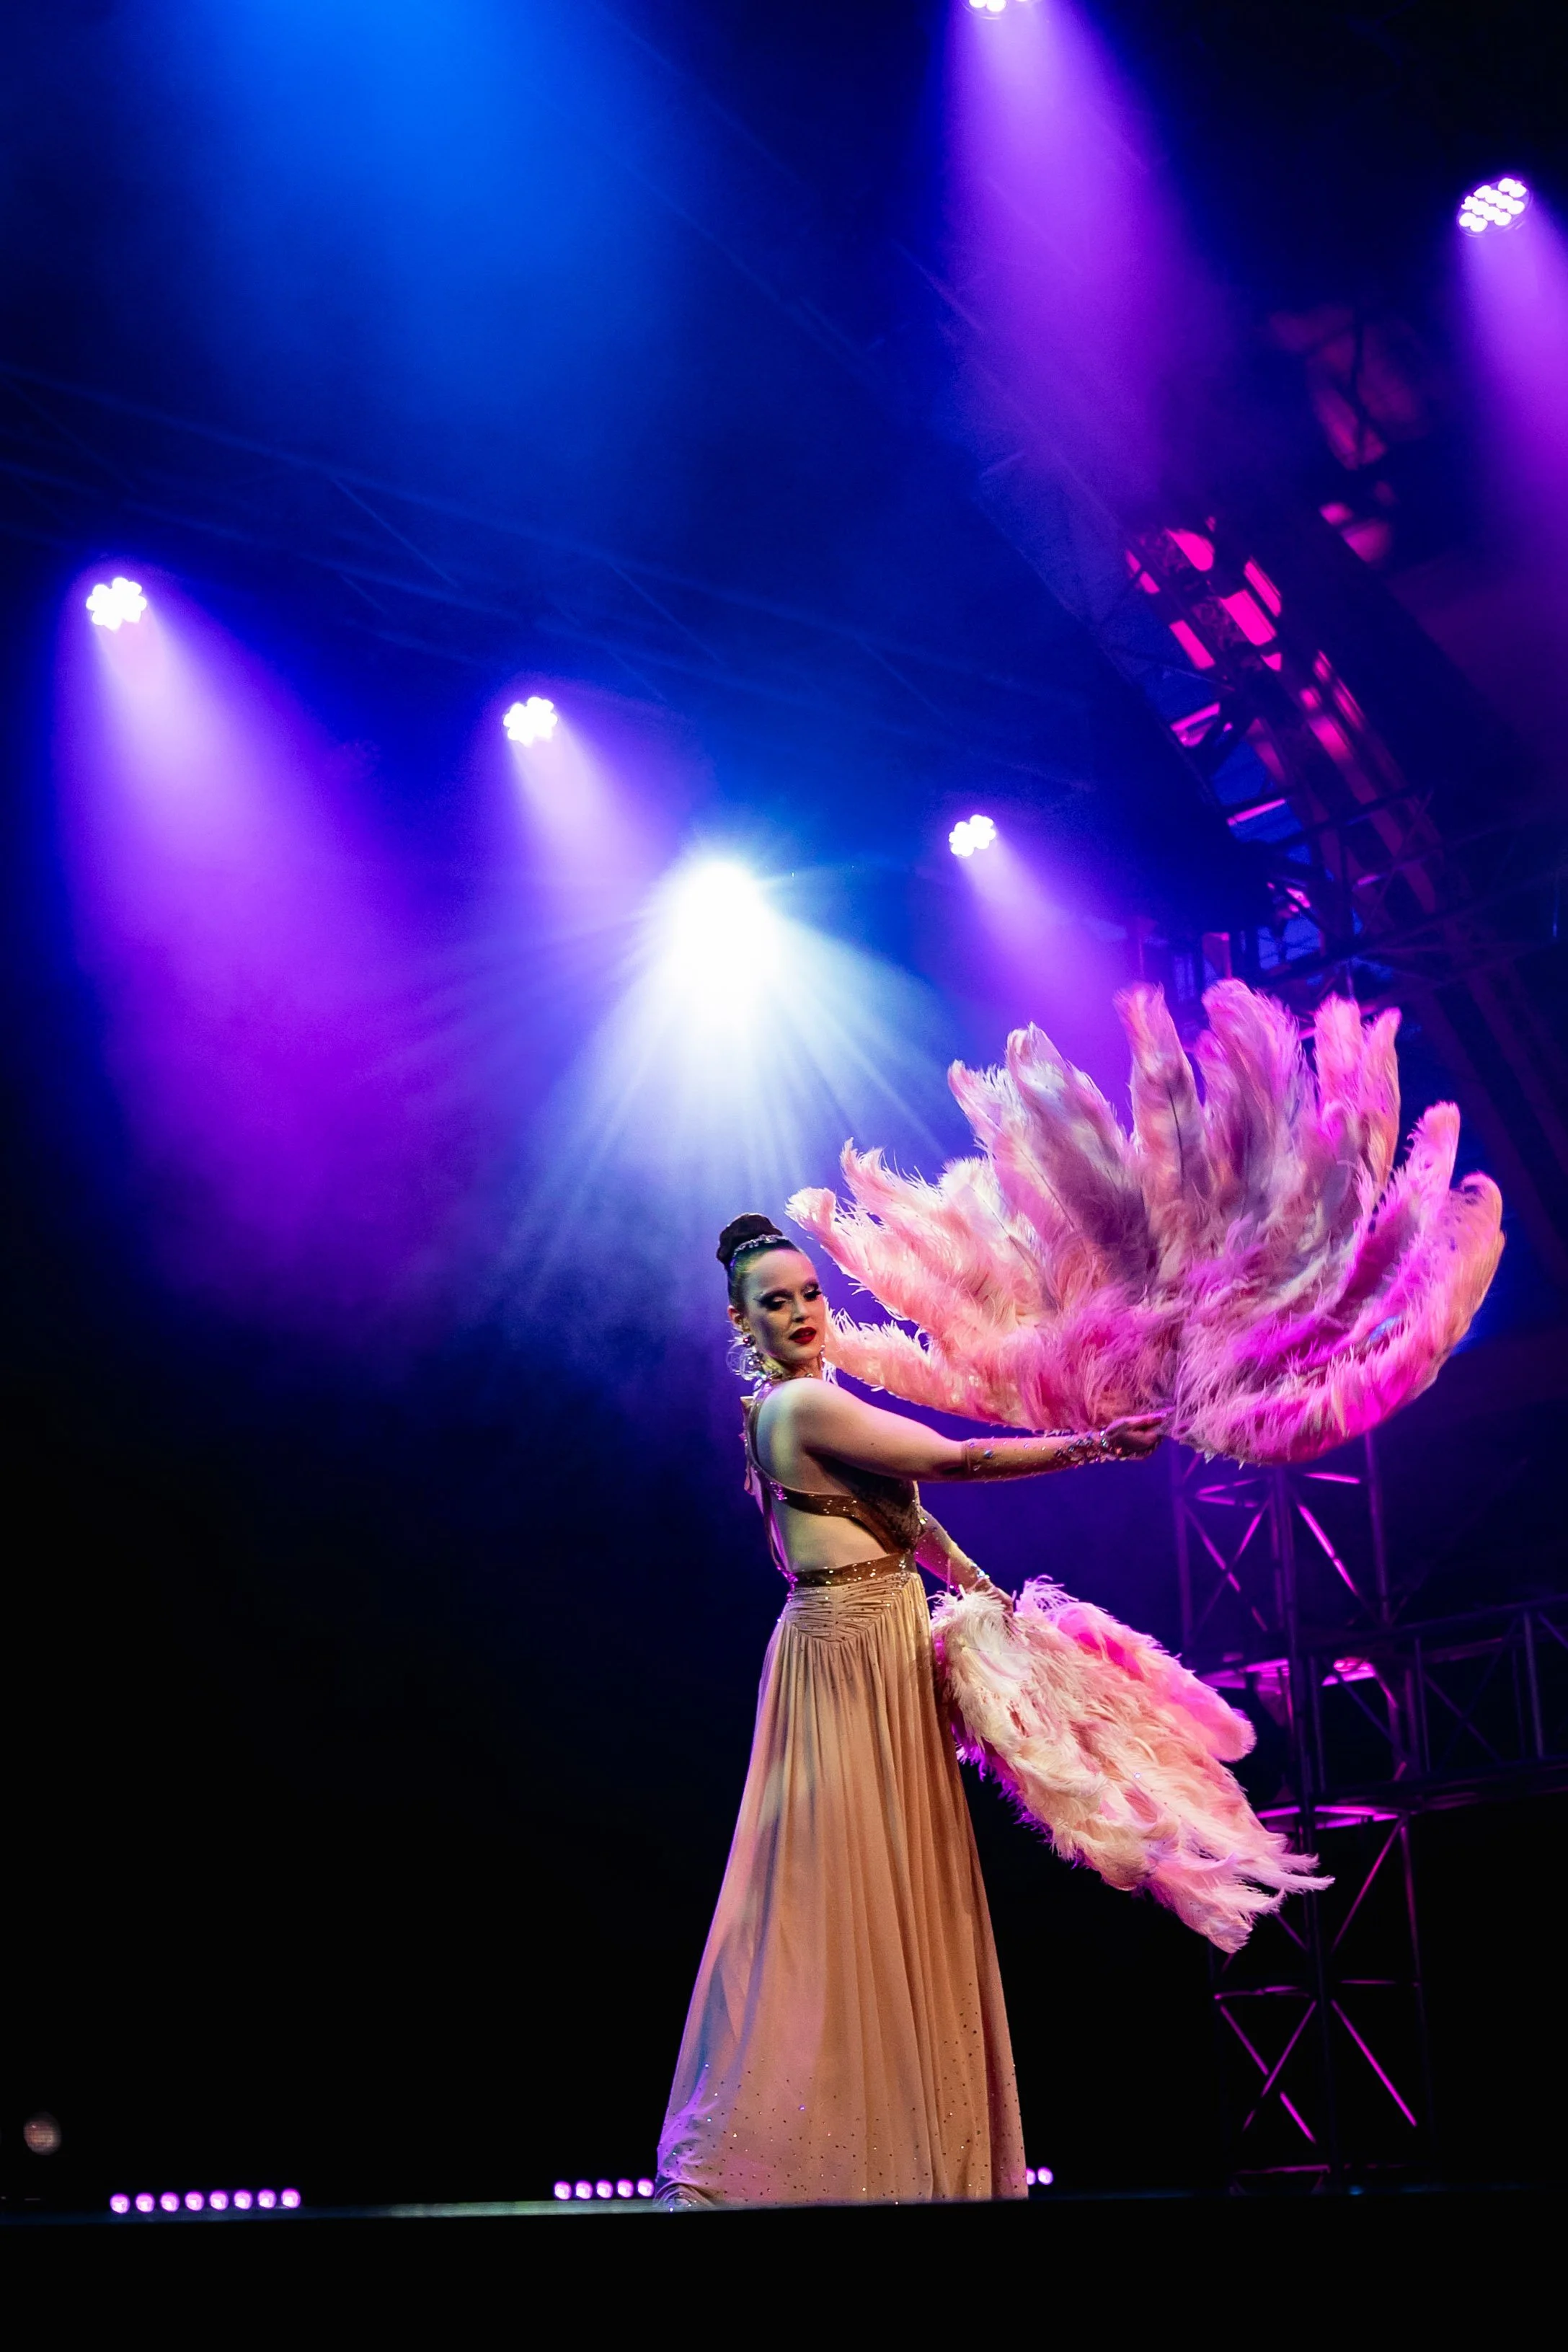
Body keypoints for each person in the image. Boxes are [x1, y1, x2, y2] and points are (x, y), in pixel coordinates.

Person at [654, 1214, 1164, 2209]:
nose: (801, 1313)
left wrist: (980, 1586)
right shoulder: (795, 1407)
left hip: (879, 1650)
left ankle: (905, 2154)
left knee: (900, 1886)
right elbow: (954, 1463)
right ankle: (799, 2155)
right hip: (843, 1659)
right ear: (740, 1319)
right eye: (776, 1301)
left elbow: (903, 1516)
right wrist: (1096, 1446)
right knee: (839, 1897)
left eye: (809, 1293)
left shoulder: (820, 1401)